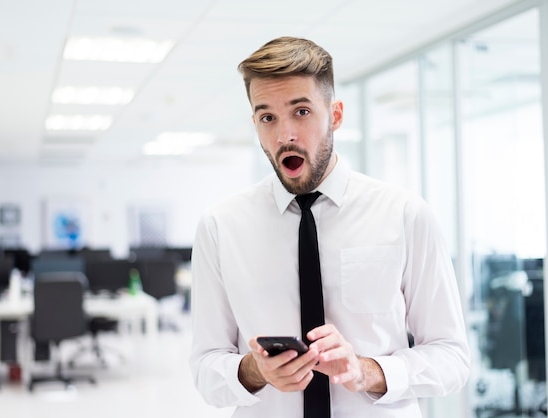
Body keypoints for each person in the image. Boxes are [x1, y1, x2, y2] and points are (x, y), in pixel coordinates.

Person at [189, 36, 470, 417]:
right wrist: (255, 370)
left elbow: (452, 358)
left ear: (335, 115)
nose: (284, 134)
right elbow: (206, 367)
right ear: (255, 124)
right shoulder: (220, 227)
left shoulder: (405, 215)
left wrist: (368, 371)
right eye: (267, 117)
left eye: (301, 112)